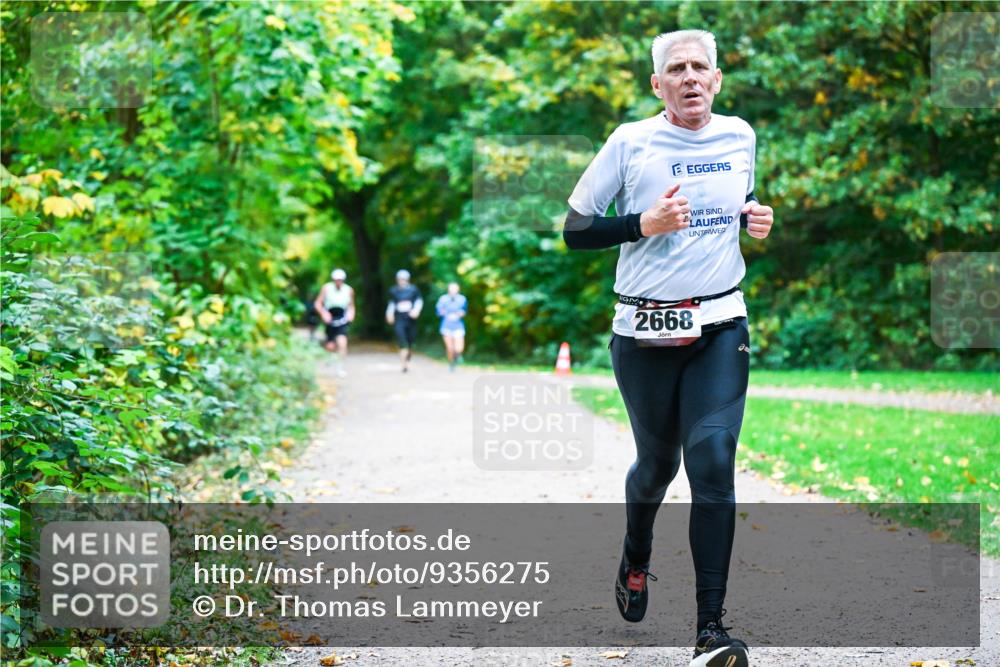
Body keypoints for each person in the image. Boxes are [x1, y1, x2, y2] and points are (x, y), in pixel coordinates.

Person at [563, 29, 774, 667]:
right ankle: (636, 553)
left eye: (699, 67)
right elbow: (575, 231)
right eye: (675, 69)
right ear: (657, 85)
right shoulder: (630, 142)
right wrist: (640, 224)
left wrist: (753, 217)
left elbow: (731, 208)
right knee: (657, 467)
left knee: (711, 461)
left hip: (721, 326)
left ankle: (711, 630)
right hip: (644, 334)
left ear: (716, 79)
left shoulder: (740, 136)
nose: (689, 78)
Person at [314, 268, 355, 378]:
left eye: (340, 280)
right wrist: (323, 313)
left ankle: (340, 367)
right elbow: (318, 303)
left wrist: (351, 315)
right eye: (336, 279)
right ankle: (331, 357)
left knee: (343, 343)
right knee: (330, 346)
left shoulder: (348, 290)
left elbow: (351, 306)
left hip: (342, 318)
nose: (338, 282)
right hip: (330, 317)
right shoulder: (326, 288)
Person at [386, 269, 423, 373]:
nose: (402, 281)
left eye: (404, 279)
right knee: (402, 341)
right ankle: (404, 365)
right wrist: (389, 314)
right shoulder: (393, 291)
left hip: (411, 319)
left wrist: (416, 311)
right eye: (400, 279)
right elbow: (391, 303)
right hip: (399, 319)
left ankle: (408, 356)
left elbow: (419, 301)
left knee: (410, 341)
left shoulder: (413, 290)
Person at [435, 281, 467, 372]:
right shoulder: (443, 299)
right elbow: (438, 311)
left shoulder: (462, 299)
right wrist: (442, 312)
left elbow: (464, 310)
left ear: (458, 290)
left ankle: (457, 357)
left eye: (455, 289)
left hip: (458, 325)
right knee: (450, 348)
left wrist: (461, 313)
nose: (453, 291)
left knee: (459, 348)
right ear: (448, 289)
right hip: (446, 325)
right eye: (451, 289)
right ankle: (451, 363)